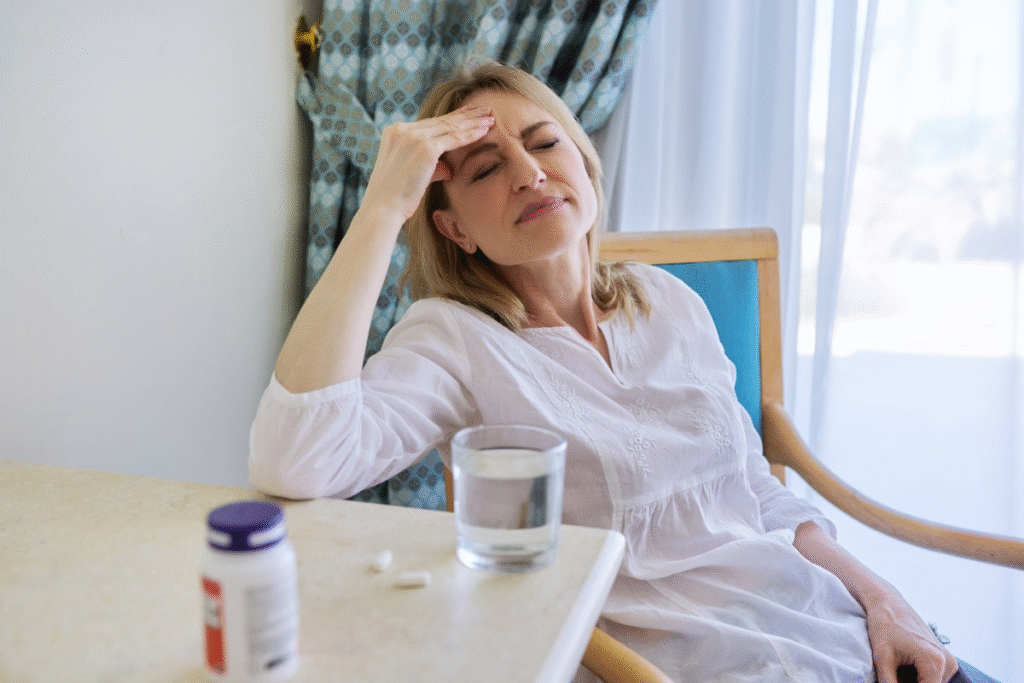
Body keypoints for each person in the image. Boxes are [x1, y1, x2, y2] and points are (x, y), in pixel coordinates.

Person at [250, 60, 997, 683]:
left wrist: (884, 601)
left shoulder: (667, 299)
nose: (528, 173)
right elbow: (296, 457)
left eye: (545, 142)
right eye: (486, 168)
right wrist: (383, 207)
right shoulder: (453, 339)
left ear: (584, 162)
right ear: (452, 228)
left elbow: (755, 493)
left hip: (834, 630)